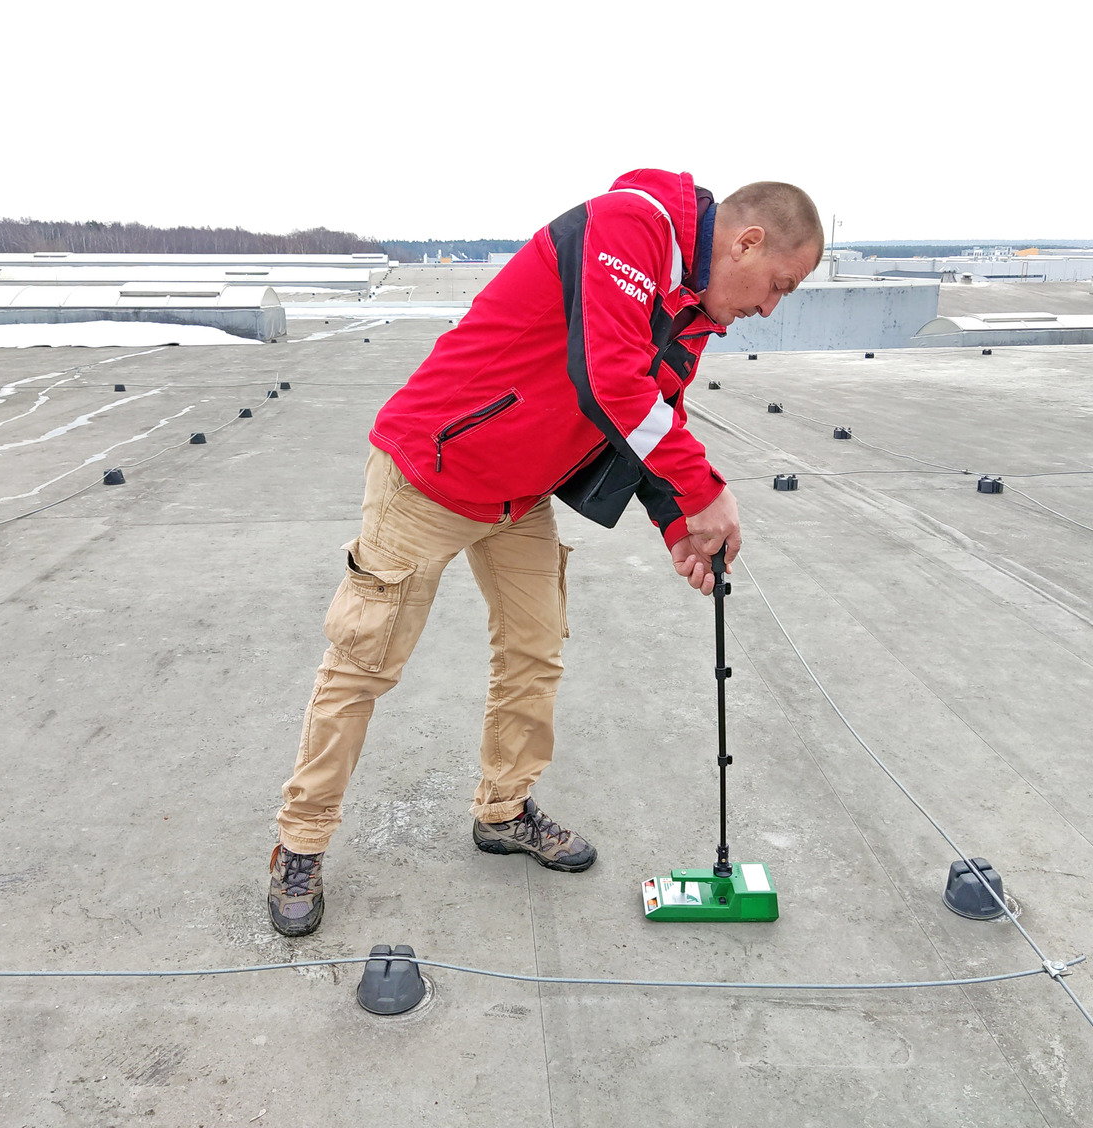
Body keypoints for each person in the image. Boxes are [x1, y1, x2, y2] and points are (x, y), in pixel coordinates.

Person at [269, 169, 824, 936]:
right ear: (748, 241)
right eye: (779, 285)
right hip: (429, 474)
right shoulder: (632, 226)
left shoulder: (692, 313)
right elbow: (610, 380)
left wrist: (677, 528)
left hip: (516, 495)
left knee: (534, 649)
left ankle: (502, 810)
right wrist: (706, 492)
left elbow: (651, 412)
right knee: (365, 662)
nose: (768, 306)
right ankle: (300, 843)